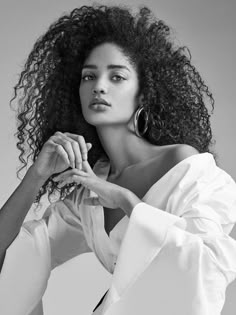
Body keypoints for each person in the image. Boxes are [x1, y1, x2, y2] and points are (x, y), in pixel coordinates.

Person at [0, 4, 236, 315]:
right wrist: (36, 175)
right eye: (89, 76)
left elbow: (206, 267)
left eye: (117, 77)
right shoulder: (92, 187)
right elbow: (10, 253)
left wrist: (125, 200)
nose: (99, 86)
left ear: (143, 94)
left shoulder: (184, 165)